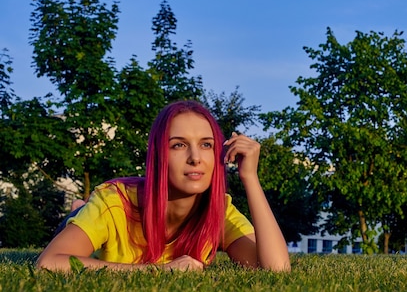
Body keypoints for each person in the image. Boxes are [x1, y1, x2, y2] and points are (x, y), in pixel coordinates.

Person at [37, 100, 291, 272]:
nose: (196, 158)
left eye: (206, 145)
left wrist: (250, 178)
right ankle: (79, 209)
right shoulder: (114, 203)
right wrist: (157, 271)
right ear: (159, 155)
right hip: (106, 206)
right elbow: (49, 262)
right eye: (179, 145)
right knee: (77, 218)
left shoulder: (218, 210)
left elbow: (276, 269)